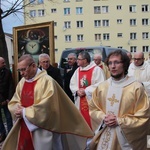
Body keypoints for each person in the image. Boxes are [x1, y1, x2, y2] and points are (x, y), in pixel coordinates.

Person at [2, 54, 93, 150]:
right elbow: (15, 100)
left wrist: (25, 112)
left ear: (33, 66)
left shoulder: (47, 81)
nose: (22, 73)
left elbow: (48, 106)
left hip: (43, 129)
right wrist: (16, 109)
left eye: (24, 69)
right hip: (25, 125)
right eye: (19, 70)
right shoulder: (23, 82)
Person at [88, 50, 150, 150]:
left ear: (125, 65)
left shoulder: (136, 88)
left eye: (117, 62)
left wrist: (119, 121)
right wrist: (103, 117)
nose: (113, 66)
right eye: (110, 63)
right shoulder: (102, 87)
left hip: (126, 140)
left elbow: (144, 116)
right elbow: (93, 109)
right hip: (105, 135)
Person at [70, 51, 105, 129]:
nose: (77, 61)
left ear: (85, 60)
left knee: (92, 124)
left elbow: (101, 84)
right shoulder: (78, 70)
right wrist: (76, 91)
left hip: (91, 101)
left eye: (79, 59)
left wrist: (86, 91)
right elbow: (72, 83)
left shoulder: (96, 70)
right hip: (80, 100)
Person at [0, 57, 14, 143]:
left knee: (9, 117)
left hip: (7, 99)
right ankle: (2, 133)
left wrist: (9, 98)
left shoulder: (7, 72)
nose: (5, 64)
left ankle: (10, 135)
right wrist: (2, 100)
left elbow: (11, 85)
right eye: (3, 63)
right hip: (1, 99)